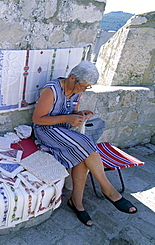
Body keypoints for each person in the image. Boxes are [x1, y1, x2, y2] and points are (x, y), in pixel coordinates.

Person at [32, 60, 137, 226]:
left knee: (82, 157)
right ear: (72, 78)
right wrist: (68, 118)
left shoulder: (76, 92)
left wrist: (79, 115)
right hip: (46, 132)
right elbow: (38, 119)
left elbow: (71, 112)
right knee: (86, 143)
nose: (83, 90)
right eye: (83, 86)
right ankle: (108, 189)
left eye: (87, 87)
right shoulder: (51, 91)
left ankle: (77, 202)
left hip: (65, 132)